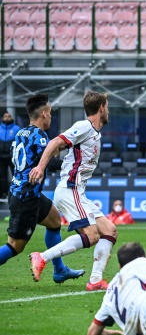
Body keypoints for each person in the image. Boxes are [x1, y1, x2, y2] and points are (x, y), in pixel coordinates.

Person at [28, 90, 118, 291]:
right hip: (70, 189)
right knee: (92, 235)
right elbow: (55, 142)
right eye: (107, 108)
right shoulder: (84, 126)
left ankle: (95, 280)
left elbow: (64, 147)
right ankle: (42, 257)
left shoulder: (93, 132)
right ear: (101, 108)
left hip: (78, 191)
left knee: (110, 231)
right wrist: (41, 167)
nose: (109, 112)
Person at [0, 94, 85, 283]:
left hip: (30, 194)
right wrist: (74, 163)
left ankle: (59, 270)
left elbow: (42, 153)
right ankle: (59, 269)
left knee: (54, 221)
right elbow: (49, 163)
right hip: (25, 199)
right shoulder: (39, 136)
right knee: (15, 247)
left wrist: (62, 146)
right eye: (51, 114)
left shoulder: (22, 132)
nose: (51, 117)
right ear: (44, 114)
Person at [0, 109, 21, 202]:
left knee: (15, 176)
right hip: (1, 157)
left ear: (11, 118)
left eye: (9, 116)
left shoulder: (17, 129)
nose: (7, 118)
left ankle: (14, 194)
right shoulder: (0, 128)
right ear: (2, 118)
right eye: (5, 116)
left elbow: (20, 143)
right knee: (2, 177)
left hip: (12, 157)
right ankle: (3, 194)